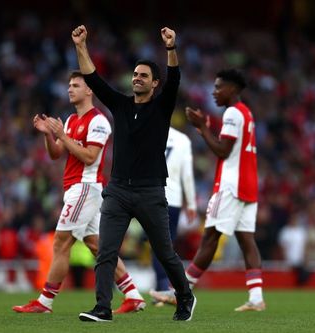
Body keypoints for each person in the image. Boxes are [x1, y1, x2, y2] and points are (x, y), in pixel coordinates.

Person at [72, 25, 196, 322]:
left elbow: (175, 78)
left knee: (165, 254)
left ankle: (185, 296)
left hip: (151, 191)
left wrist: (170, 49)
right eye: (135, 74)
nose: (137, 78)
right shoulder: (121, 105)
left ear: (154, 84)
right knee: (106, 252)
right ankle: (103, 307)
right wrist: (81, 45)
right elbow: (93, 79)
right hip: (117, 191)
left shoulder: (162, 107)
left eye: (143, 76)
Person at [12, 71, 145, 314]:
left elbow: (90, 157)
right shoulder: (72, 120)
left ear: (89, 90)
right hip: (76, 188)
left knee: (61, 242)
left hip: (86, 187)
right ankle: (133, 295)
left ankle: (45, 301)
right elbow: (56, 154)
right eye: (69, 85)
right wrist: (48, 135)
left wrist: (62, 135)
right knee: (97, 246)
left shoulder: (99, 121)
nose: (70, 89)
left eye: (75, 85)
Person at [152, 69, 266, 312]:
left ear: (232, 89)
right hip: (248, 185)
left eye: (218, 87)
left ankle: (180, 291)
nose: (213, 93)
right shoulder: (246, 113)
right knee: (246, 240)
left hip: (231, 186)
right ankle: (256, 297)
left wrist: (203, 128)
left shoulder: (233, 114)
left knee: (210, 238)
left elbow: (223, 150)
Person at [150, 127, 196, 295]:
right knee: (167, 243)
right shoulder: (182, 139)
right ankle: (163, 285)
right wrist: (190, 203)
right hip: (173, 199)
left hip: (150, 194)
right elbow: (187, 174)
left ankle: (161, 285)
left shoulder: (149, 132)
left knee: (155, 243)